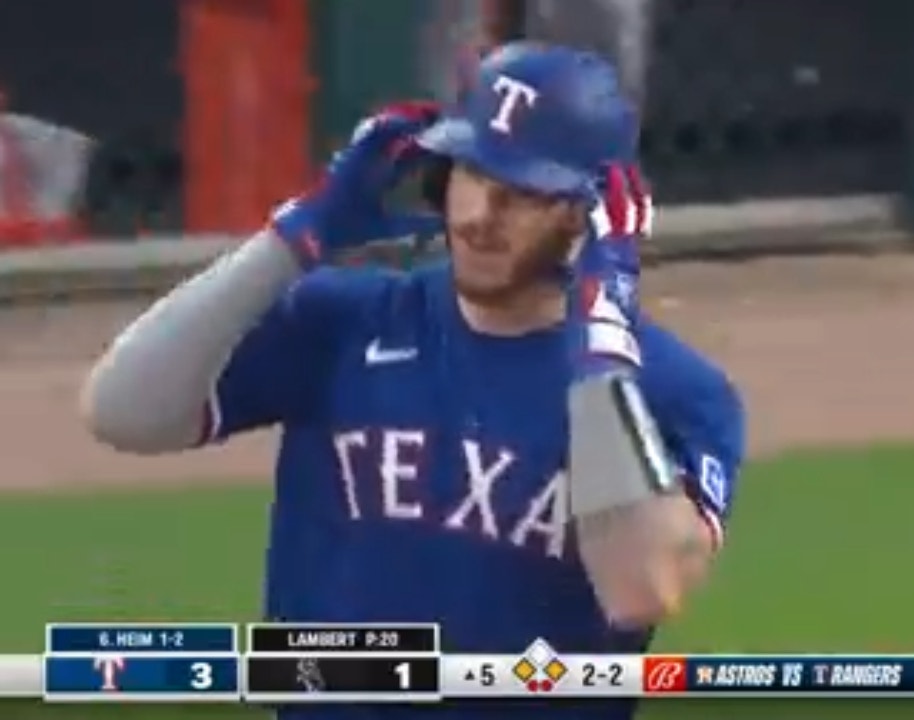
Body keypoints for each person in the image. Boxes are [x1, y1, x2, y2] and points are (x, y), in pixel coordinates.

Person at [80, 42, 745, 718]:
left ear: (587, 214)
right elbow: (121, 411)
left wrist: (604, 341)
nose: (481, 216)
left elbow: (640, 588)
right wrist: (294, 237)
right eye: (472, 176)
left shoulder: (672, 390)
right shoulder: (344, 320)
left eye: (522, 195)